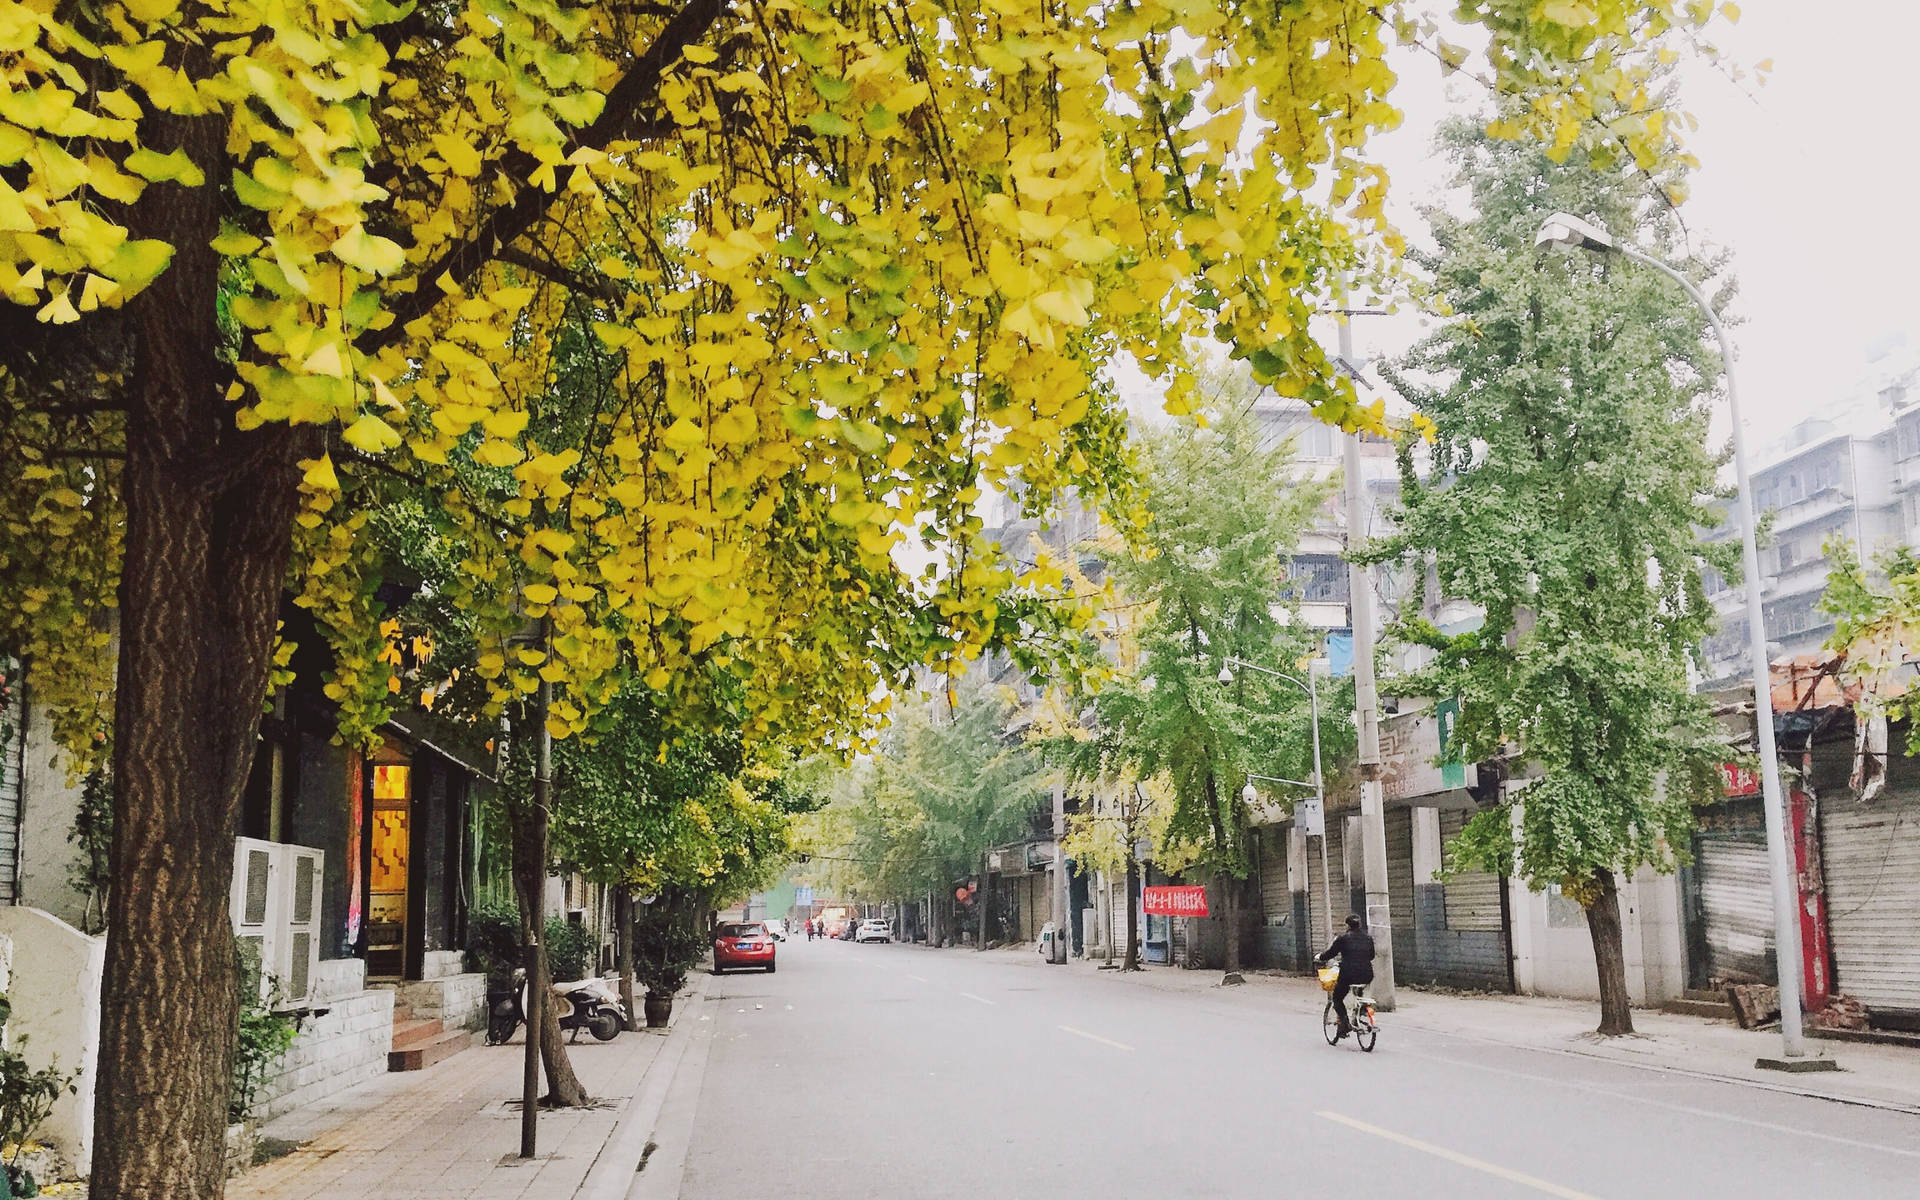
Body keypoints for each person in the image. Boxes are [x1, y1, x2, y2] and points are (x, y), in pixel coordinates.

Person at [1315, 915, 1375, 1041]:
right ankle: (1361, 1010)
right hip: (1367, 974)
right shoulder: (1368, 938)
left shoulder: (1343, 939)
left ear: (1347, 925)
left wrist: (1320, 957)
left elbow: (1331, 953)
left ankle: (1345, 1023)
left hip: (1349, 974)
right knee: (1360, 991)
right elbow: (1371, 956)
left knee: (1337, 998)